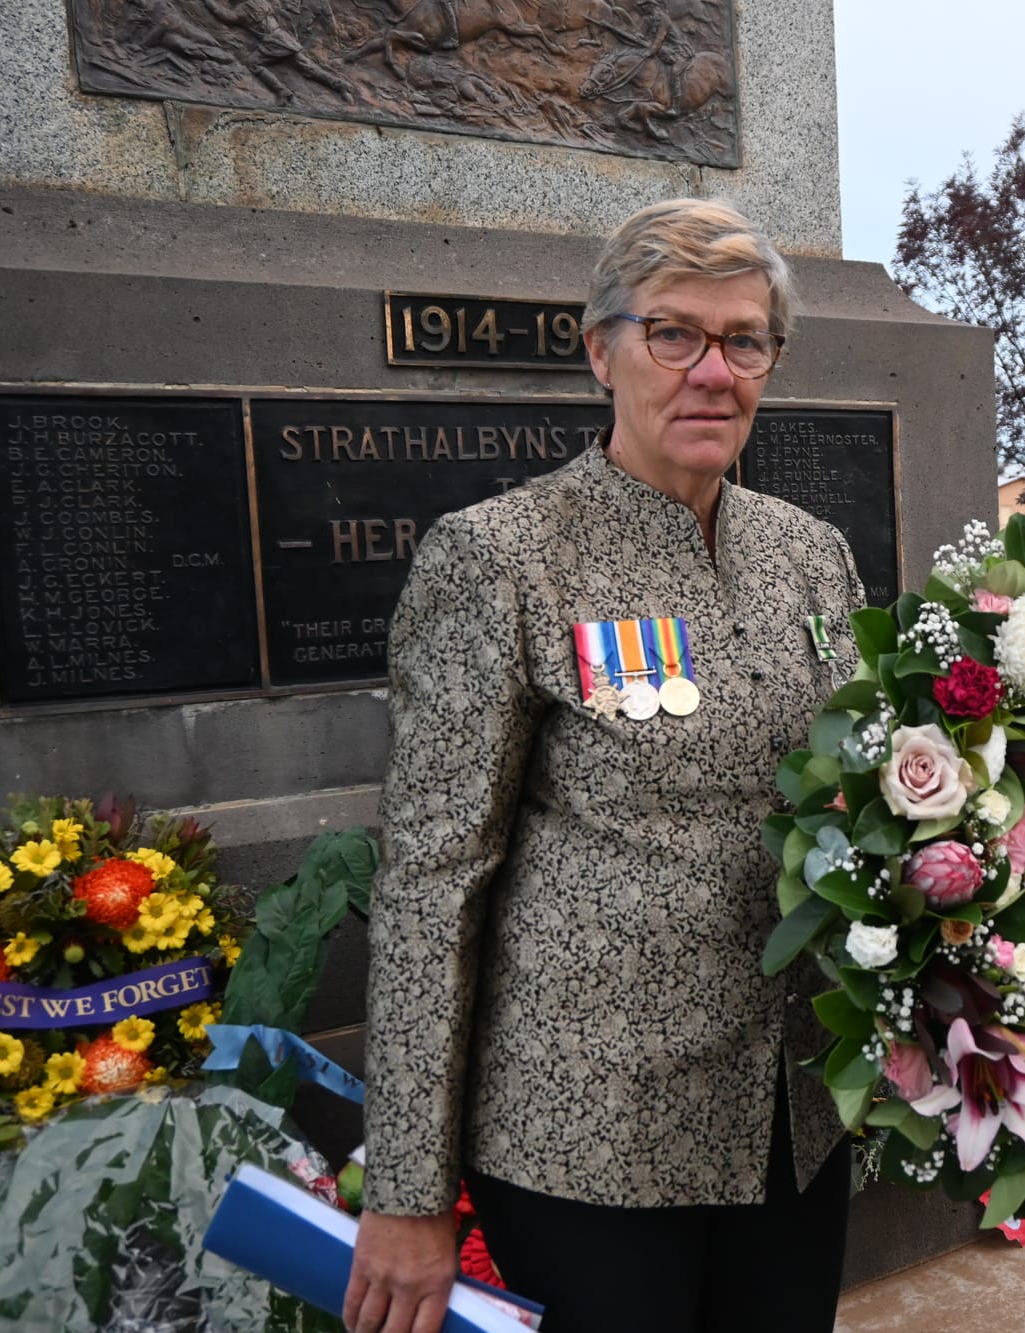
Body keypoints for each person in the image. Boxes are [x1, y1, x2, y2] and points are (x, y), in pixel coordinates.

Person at [344, 199, 863, 1333]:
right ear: (600, 351)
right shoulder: (501, 559)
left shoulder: (809, 555)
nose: (711, 371)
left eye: (743, 340)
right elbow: (433, 881)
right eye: (671, 333)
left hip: (790, 1116)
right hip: (589, 1135)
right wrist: (408, 1193)